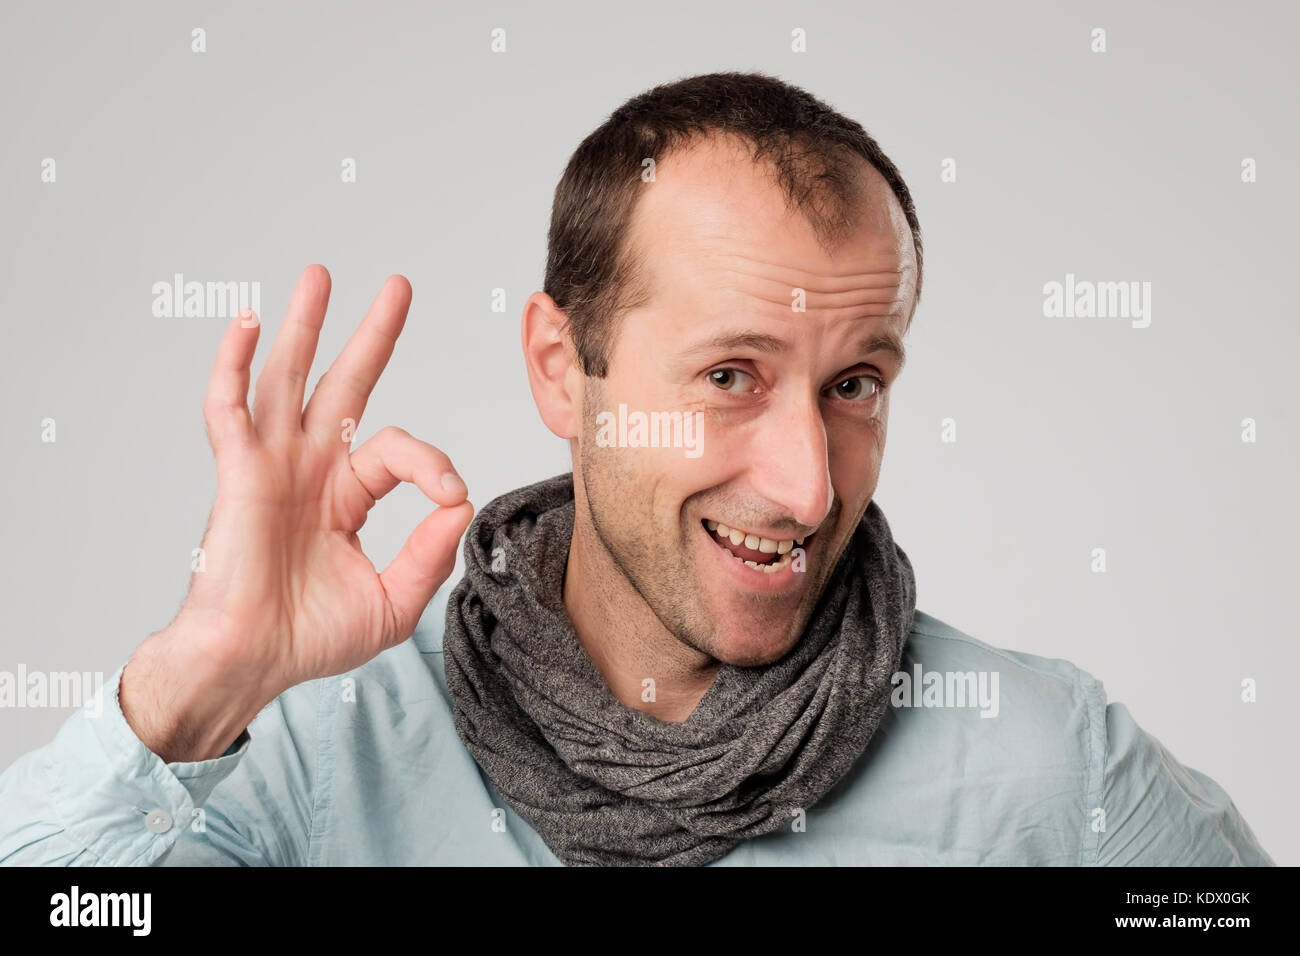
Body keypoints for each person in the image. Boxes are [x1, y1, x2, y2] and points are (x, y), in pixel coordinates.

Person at [0, 72, 1273, 866]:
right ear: (563, 367)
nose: (809, 486)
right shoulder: (307, 754)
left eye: (853, 385)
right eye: (730, 375)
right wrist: (191, 686)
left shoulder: (1043, 765)